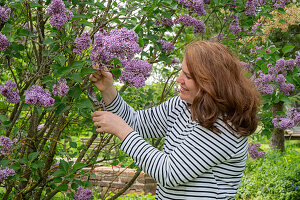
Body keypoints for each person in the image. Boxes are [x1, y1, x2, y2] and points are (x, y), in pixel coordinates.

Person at [90, 41, 260, 200]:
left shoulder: (224, 126)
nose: (179, 79)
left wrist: (122, 131)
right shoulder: (183, 105)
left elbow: (170, 173)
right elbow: (138, 123)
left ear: (210, 82)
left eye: (187, 76)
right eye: (182, 71)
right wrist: (108, 91)